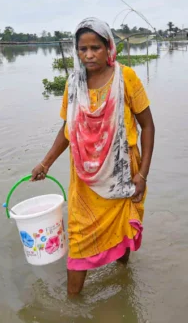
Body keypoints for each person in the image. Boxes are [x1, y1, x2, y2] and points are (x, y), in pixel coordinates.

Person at [31, 17, 155, 296]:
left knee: (123, 230)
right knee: (78, 236)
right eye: (83, 49)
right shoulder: (73, 84)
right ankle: (73, 304)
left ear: (108, 47)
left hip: (123, 173)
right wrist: (45, 163)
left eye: (95, 48)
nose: (89, 55)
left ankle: (124, 285)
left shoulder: (127, 78)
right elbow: (68, 129)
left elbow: (148, 125)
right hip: (85, 178)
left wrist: (142, 174)